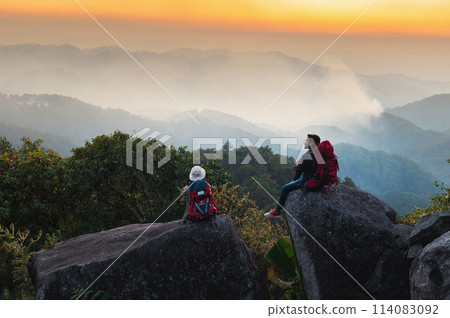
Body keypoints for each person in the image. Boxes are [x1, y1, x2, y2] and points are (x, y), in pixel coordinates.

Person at [264, 134, 321, 218]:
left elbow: (299, 170)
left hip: (309, 180)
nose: (304, 142)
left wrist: (294, 177)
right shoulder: (319, 153)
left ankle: (277, 211)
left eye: (306, 141)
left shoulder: (307, 155)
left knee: (285, 188)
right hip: (319, 180)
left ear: (311, 143)